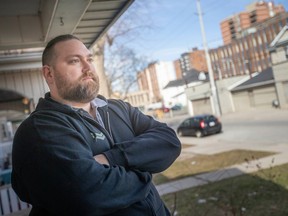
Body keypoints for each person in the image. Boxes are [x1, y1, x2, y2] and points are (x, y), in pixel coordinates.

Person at [11, 34, 181, 216]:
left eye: (89, 59)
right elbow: (88, 193)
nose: (88, 67)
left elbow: (169, 141)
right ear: (49, 73)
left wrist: (112, 158)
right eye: (74, 61)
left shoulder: (118, 108)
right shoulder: (40, 129)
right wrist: (144, 174)